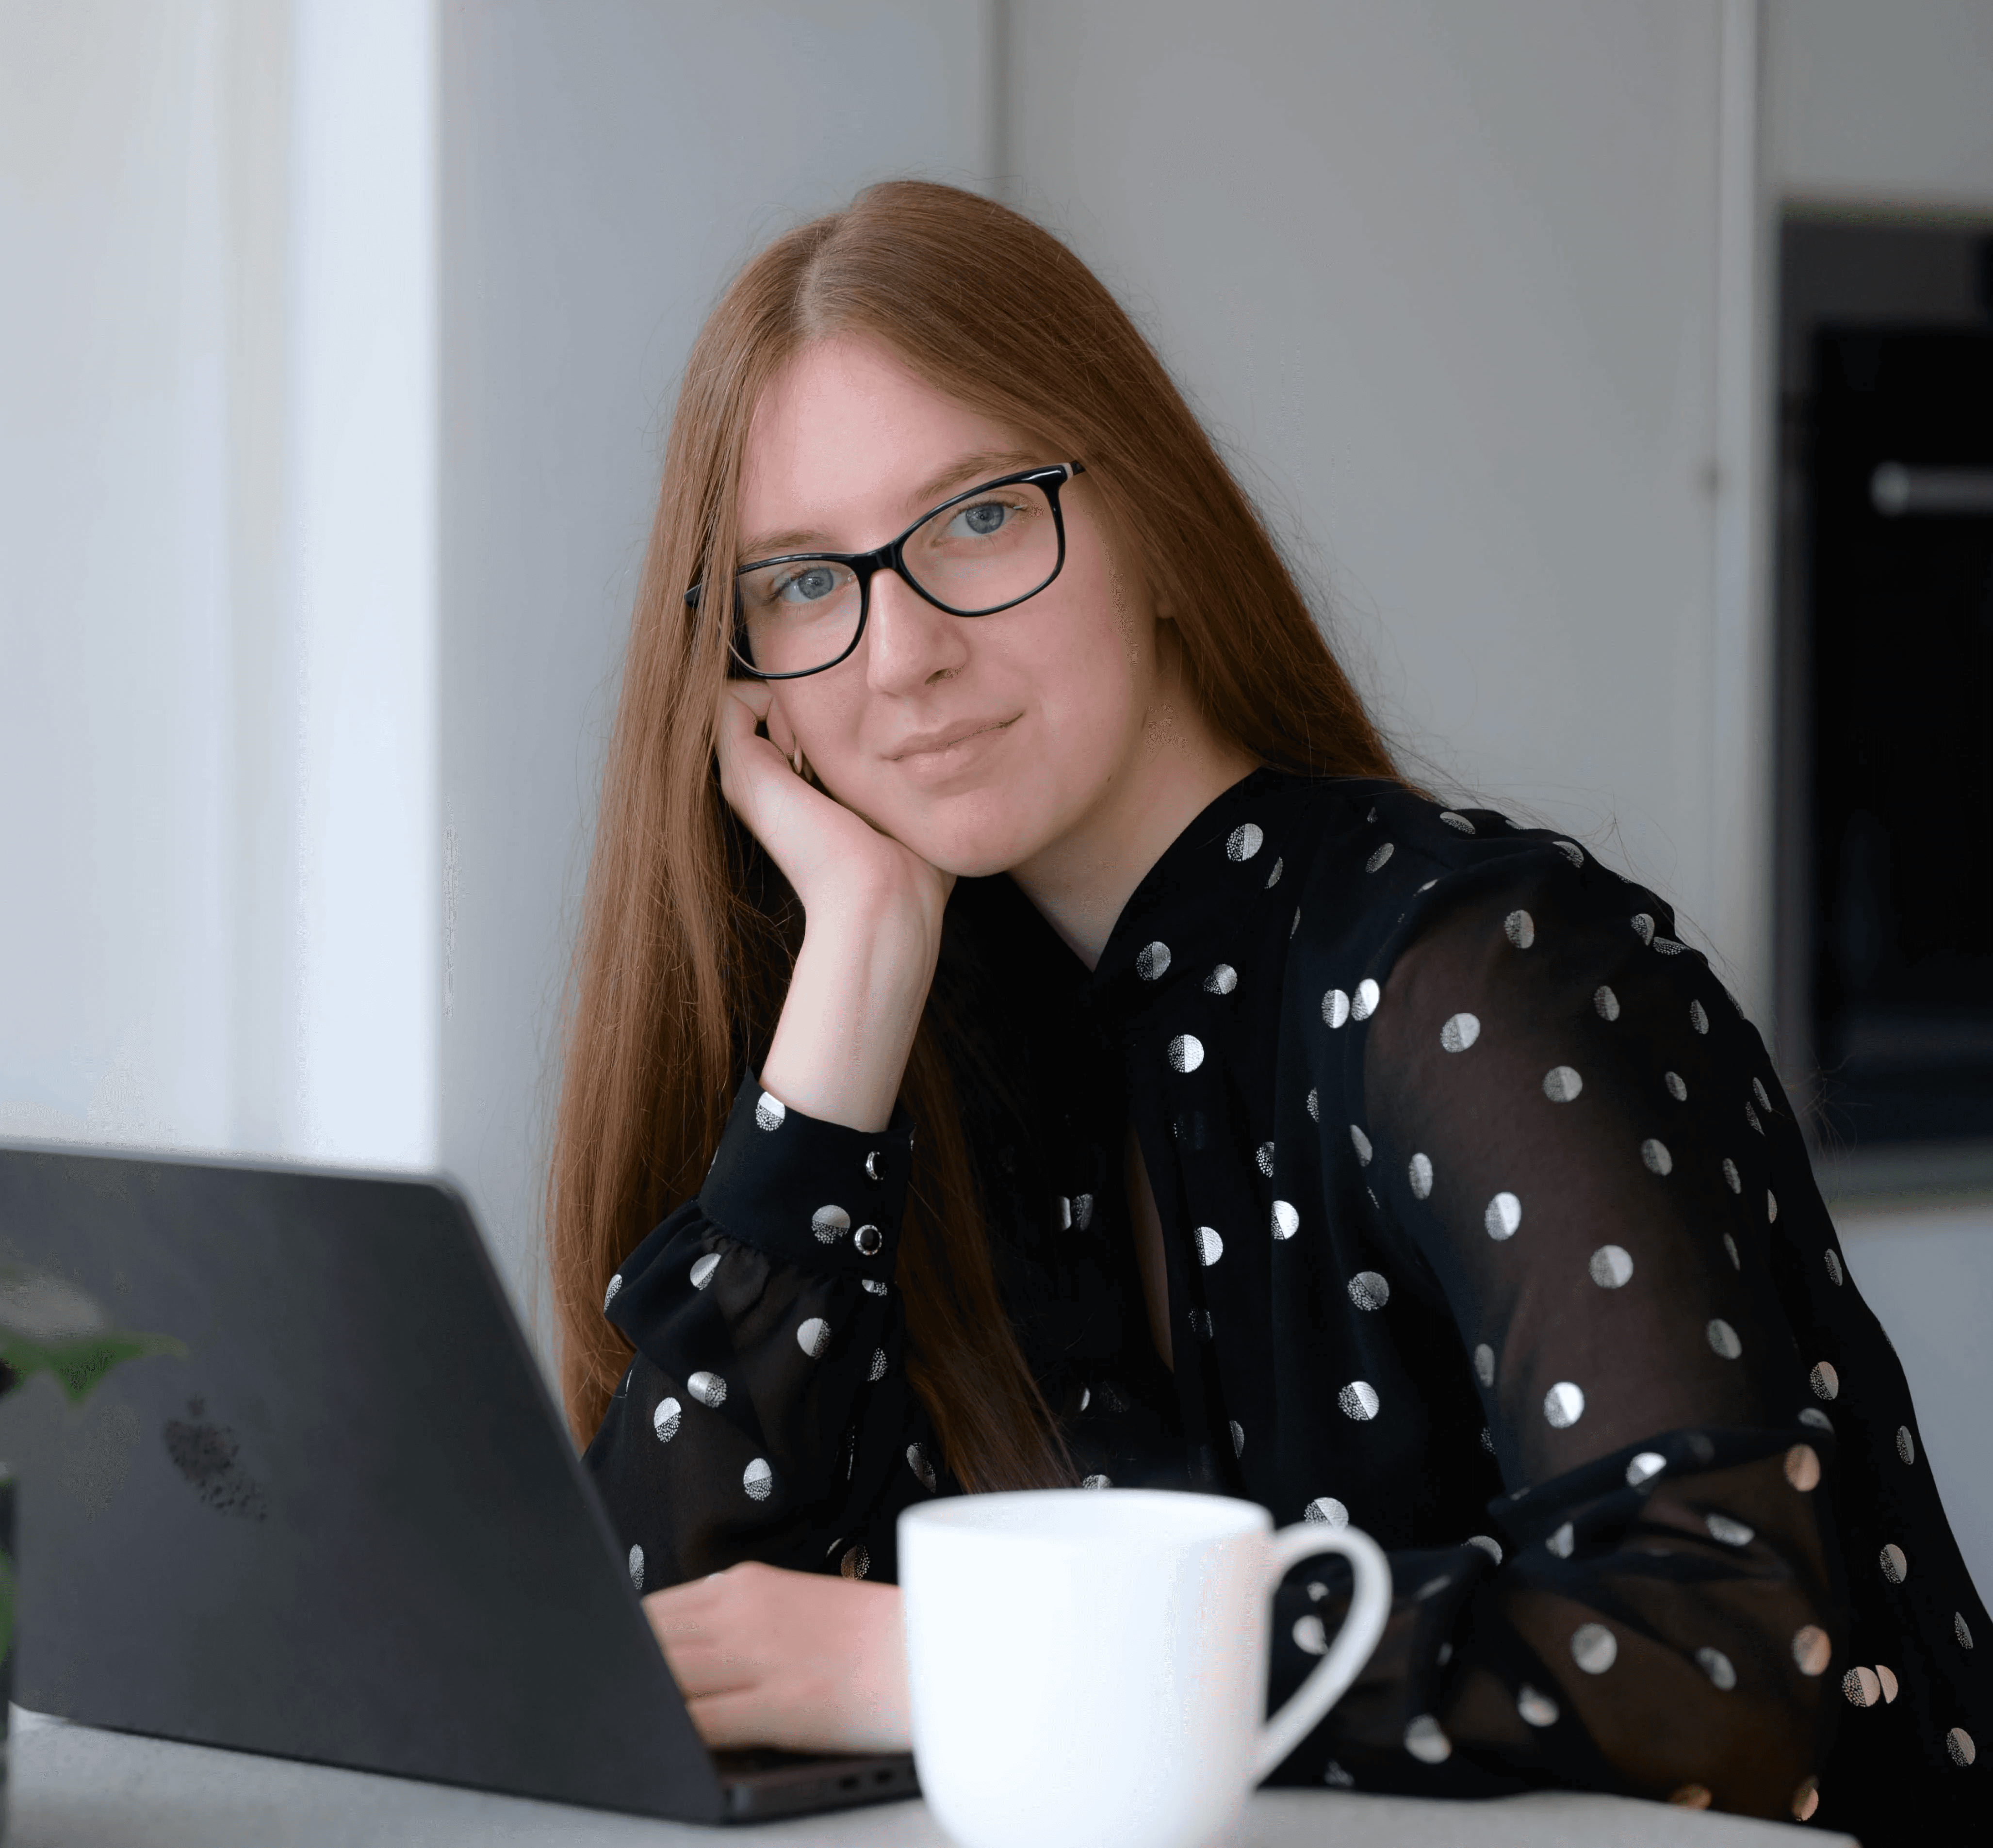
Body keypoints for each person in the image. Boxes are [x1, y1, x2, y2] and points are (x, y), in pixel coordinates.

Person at [547, 180, 1985, 1840]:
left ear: (1153, 517)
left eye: (981, 518)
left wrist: (970, 1658)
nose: (899, 654)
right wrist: (857, 967)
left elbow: (1712, 1661)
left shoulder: (1482, 968)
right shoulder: (940, 1046)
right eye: (801, 584)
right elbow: (664, 1674)